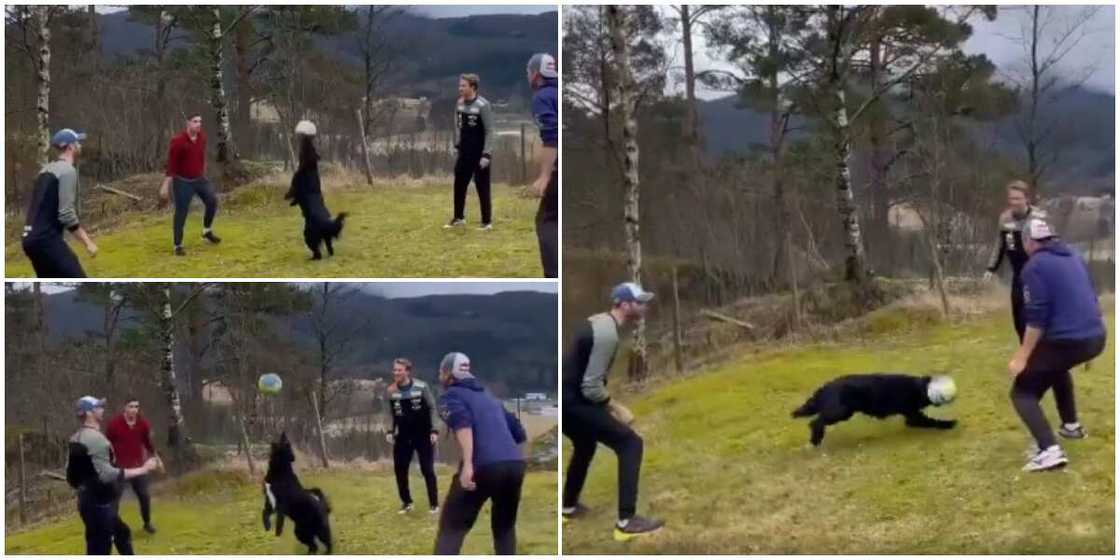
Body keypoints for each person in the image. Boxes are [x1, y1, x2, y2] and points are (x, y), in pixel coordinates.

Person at [562, 282, 664, 541]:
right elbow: (592, 385)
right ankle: (626, 522)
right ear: (624, 304)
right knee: (631, 443)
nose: (644, 306)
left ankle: (567, 507)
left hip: (565, 399)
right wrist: (616, 407)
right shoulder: (608, 335)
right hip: (573, 402)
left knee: (586, 445)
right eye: (639, 301)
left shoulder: (599, 322)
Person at [1007, 218, 1106, 472]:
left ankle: (1049, 450)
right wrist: (1089, 347)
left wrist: (1022, 356)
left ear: (1029, 242)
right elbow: (1091, 298)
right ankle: (1071, 427)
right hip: (1095, 337)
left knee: (1023, 392)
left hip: (1069, 341)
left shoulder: (1034, 267)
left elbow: (1037, 317)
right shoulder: (1073, 256)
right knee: (1056, 367)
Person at [434, 352, 527, 555]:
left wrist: (468, 465)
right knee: (504, 529)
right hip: (515, 465)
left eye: (441, 372)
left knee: (451, 529)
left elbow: (462, 425)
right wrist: (511, 460)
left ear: (450, 374)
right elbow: (519, 432)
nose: (439, 376)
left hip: (482, 466)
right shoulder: (489, 396)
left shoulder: (449, 396)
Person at [67, 396, 160, 554]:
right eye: (98, 407)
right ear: (89, 413)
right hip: (99, 504)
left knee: (122, 533)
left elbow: (70, 475)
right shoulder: (98, 440)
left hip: (86, 501)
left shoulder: (75, 438)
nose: (102, 409)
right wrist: (144, 469)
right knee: (100, 548)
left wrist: (85, 487)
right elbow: (108, 475)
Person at [22, 128, 97, 277]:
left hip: (29, 240)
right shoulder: (67, 171)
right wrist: (88, 242)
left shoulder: (45, 170)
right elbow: (66, 213)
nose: (80, 146)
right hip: (46, 240)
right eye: (78, 143)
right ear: (71, 147)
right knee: (78, 278)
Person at [985, 180, 1047, 341]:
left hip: (1037, 274)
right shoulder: (1005, 219)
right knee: (1019, 316)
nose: (1014, 202)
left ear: (1027, 199)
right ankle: (1025, 353)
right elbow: (1000, 244)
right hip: (1018, 274)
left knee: (1036, 315)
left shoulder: (1038, 217)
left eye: (1018, 199)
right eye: (1011, 198)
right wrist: (991, 268)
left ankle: (1041, 353)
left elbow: (1049, 244)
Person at [160, 113, 221, 256]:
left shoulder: (202, 138)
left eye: (200, 121)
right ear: (188, 123)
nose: (198, 124)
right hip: (182, 182)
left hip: (199, 179)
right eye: (195, 121)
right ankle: (177, 246)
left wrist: (201, 172)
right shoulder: (178, 141)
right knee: (181, 213)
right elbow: (171, 164)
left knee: (212, 200)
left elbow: (200, 156)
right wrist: (165, 185)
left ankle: (206, 232)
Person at [285, 120, 347, 260]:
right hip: (315, 197)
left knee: (310, 230)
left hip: (309, 198)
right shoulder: (312, 157)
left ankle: (317, 253)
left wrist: (291, 193)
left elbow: (299, 179)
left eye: (300, 136)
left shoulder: (304, 157)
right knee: (321, 220)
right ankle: (330, 243)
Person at [385, 358, 440, 515]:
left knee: (427, 469)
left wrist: (434, 430)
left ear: (407, 371)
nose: (396, 373)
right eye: (394, 370)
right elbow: (390, 413)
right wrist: (390, 431)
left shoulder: (422, 387)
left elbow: (432, 408)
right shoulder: (391, 391)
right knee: (400, 469)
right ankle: (407, 502)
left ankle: (434, 504)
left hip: (423, 434)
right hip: (402, 435)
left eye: (399, 370)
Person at [445, 74, 494, 230]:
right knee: (459, 184)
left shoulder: (483, 105)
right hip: (464, 152)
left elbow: (490, 131)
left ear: (472, 87)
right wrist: (457, 143)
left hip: (479, 154)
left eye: (463, 86)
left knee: (482, 186)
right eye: (459, 86)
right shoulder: (459, 104)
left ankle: (486, 222)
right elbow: (458, 124)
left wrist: (487, 154)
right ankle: (459, 218)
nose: (460, 89)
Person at [105, 398, 158, 533]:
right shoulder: (114, 425)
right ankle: (111, 526)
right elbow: (106, 444)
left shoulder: (143, 424)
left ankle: (147, 523)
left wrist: (156, 456)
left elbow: (147, 443)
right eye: (131, 406)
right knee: (115, 499)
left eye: (136, 407)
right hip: (119, 468)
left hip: (138, 467)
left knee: (144, 495)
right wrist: (109, 462)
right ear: (125, 407)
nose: (134, 410)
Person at [527, 53, 558, 278]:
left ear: (536, 74)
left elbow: (551, 135)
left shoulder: (542, 97)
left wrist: (545, 175)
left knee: (547, 222)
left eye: (529, 72)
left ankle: (553, 274)